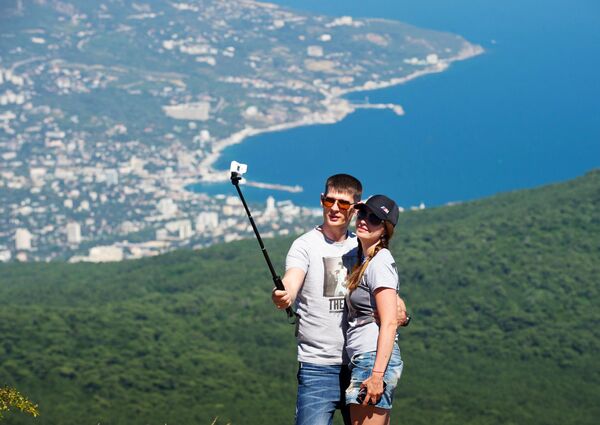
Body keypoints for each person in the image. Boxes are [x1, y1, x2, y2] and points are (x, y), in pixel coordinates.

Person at [272, 176, 409, 425]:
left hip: (360, 363)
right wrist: (284, 294)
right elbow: (292, 279)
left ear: (354, 208)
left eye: (344, 204)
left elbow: (388, 301)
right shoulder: (305, 245)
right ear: (322, 201)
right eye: (329, 201)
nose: (335, 208)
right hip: (318, 365)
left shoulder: (368, 248)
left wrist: (403, 314)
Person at [344, 195, 404, 425]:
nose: (364, 220)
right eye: (362, 213)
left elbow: (389, 322)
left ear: (385, 230)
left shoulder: (380, 263)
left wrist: (377, 375)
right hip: (366, 359)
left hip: (372, 363)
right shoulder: (365, 259)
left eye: (374, 219)